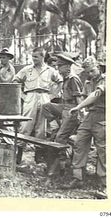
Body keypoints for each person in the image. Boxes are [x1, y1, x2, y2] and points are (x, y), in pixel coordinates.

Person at [62, 56, 106, 198]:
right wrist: (81, 110)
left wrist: (79, 106)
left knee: (103, 150)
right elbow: (87, 96)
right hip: (90, 116)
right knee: (79, 143)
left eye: (92, 71)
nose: (90, 74)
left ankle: (104, 183)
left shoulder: (106, 79)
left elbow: (96, 94)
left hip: (103, 116)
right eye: (88, 72)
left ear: (98, 68)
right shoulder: (88, 82)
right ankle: (78, 177)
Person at [13, 47, 62, 163]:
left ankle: (38, 156)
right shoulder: (27, 70)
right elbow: (15, 80)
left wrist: (53, 95)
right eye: (32, 56)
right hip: (30, 96)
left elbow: (60, 81)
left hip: (45, 97)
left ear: (42, 57)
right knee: (25, 125)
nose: (33, 59)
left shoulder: (50, 70)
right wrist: (22, 95)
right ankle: (18, 155)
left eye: (36, 56)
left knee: (42, 128)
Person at [42, 52, 83, 180]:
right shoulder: (65, 78)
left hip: (72, 109)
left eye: (60, 66)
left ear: (67, 67)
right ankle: (56, 127)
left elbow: (79, 99)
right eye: (57, 66)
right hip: (65, 106)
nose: (58, 69)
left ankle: (62, 167)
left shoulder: (73, 79)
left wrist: (80, 114)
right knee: (46, 106)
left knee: (60, 138)